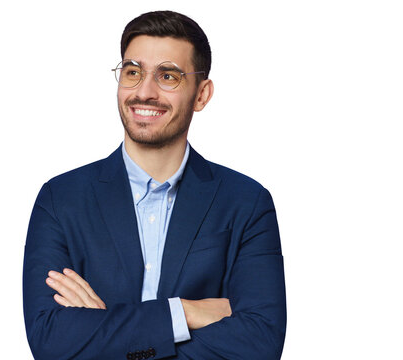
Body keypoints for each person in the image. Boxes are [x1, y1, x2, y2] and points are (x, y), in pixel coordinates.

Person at [23, 10, 286, 360]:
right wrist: (183, 314)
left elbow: (259, 344)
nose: (144, 92)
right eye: (132, 72)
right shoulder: (61, 200)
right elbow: (51, 341)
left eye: (168, 76)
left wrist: (104, 334)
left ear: (202, 95)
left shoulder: (247, 203)